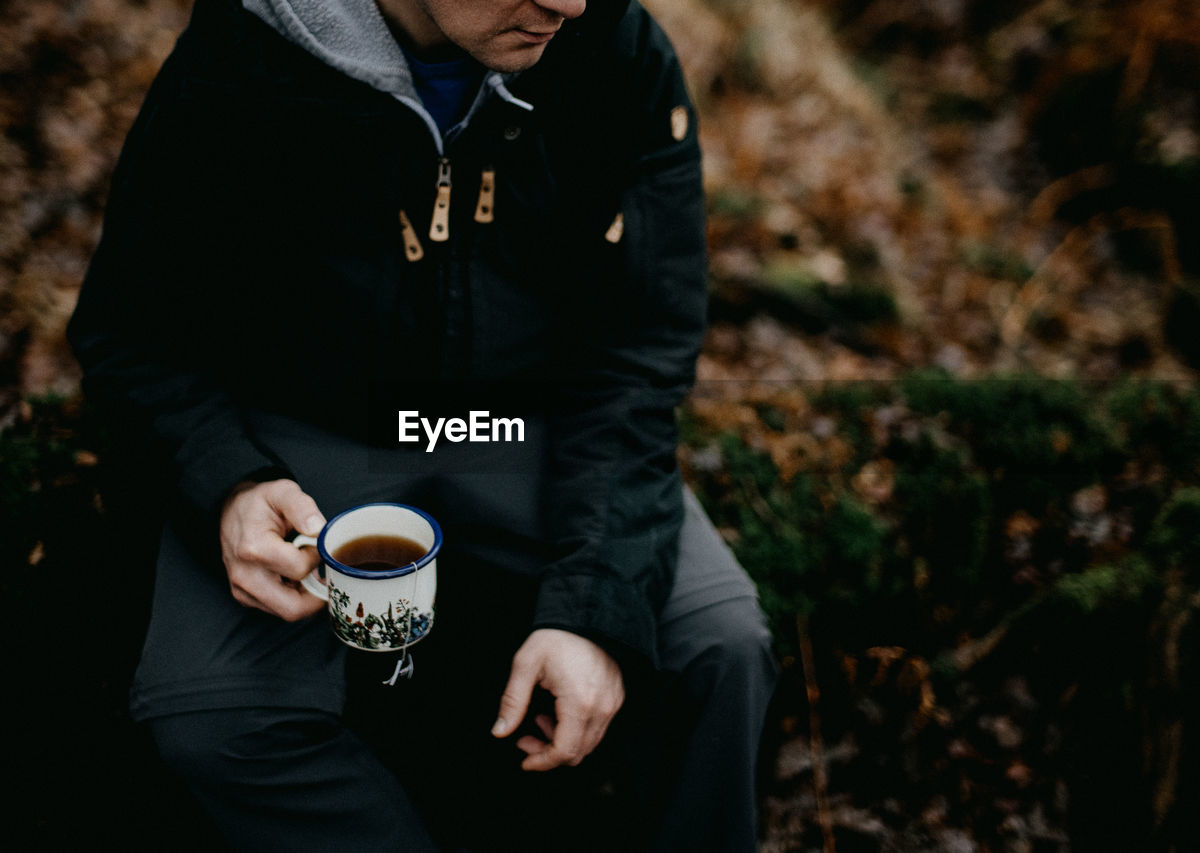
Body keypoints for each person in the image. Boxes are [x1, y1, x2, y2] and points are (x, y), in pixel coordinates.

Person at [67, 0, 777, 850]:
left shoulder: (615, 49)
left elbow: (636, 357)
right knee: (214, 712)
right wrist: (227, 483)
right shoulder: (246, 57)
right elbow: (132, 329)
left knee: (720, 645)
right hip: (312, 428)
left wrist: (593, 611)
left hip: (519, 428)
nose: (569, 2)